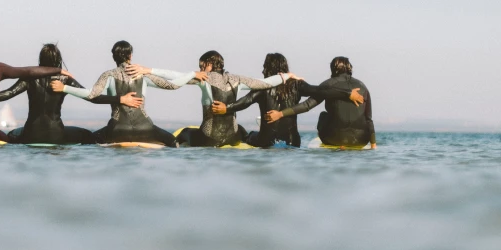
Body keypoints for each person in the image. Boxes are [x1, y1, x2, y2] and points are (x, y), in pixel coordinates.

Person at [0, 43, 144, 144]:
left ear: (41, 60)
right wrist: (120, 99)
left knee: (13, 133)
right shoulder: (64, 79)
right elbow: (92, 97)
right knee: (87, 135)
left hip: (30, 135)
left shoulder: (30, 78)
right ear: (58, 60)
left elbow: (8, 93)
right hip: (57, 135)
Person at [129, 50, 300, 147]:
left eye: (201, 66)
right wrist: (287, 76)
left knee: (186, 132)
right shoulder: (237, 79)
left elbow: (177, 76)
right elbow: (265, 82)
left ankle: (175, 147)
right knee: (241, 130)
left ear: (209, 64)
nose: (200, 70)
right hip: (233, 138)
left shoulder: (204, 78)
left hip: (209, 139)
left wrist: (148, 70)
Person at [51, 40, 204, 147]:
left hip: (117, 131)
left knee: (90, 140)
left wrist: (64, 88)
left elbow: (91, 94)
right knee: (172, 141)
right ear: (130, 56)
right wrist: (192, 74)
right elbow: (172, 85)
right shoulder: (142, 75)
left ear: (113, 57)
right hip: (146, 130)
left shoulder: (108, 75)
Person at [213, 53, 364, 148]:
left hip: (266, 141)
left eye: (264, 67)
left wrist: (226, 108)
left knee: (246, 133)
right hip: (293, 142)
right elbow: (321, 91)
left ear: (269, 68)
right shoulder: (297, 85)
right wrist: (347, 94)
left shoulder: (263, 86)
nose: (262, 70)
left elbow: (246, 101)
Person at [263, 56, 375, 149]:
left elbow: (307, 105)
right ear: (350, 68)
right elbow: (369, 118)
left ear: (333, 69)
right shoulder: (363, 87)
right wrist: (373, 144)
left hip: (334, 138)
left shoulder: (328, 84)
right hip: (361, 140)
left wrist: (280, 114)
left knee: (323, 115)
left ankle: (341, 142)